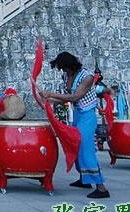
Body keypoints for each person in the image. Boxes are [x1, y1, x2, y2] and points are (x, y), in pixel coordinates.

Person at [39, 52, 110, 198]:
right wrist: (49, 102)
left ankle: (101, 187)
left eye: (63, 67)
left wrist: (51, 94)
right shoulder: (67, 75)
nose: (63, 70)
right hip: (78, 113)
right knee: (75, 146)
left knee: (85, 148)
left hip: (88, 115)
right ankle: (84, 179)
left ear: (70, 65)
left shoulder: (87, 77)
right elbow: (67, 98)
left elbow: (75, 96)